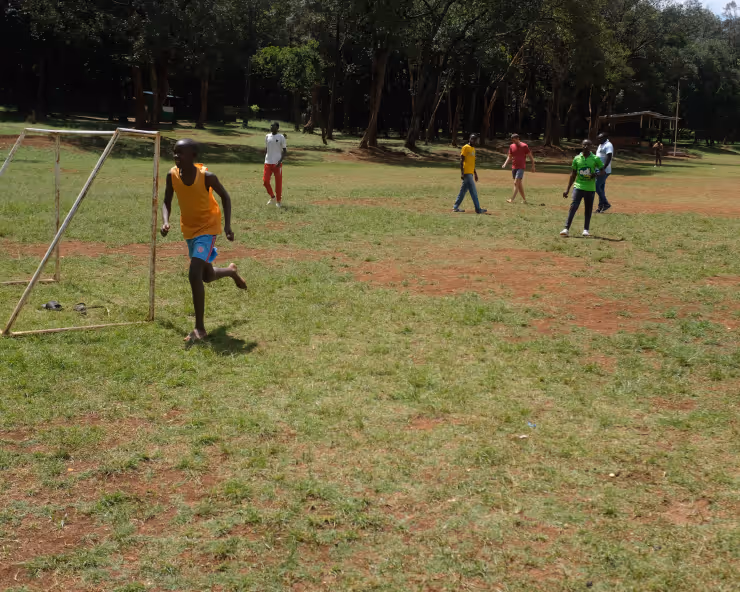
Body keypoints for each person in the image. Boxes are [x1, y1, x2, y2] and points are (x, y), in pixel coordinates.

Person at [161, 139, 247, 342]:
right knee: (206, 276)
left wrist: (227, 227)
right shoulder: (171, 175)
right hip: (189, 229)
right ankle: (231, 272)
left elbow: (225, 197)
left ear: (193, 157)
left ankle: (200, 328)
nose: (176, 156)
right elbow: (166, 200)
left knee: (194, 273)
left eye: (181, 153)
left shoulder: (207, 177)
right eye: (175, 152)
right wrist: (165, 221)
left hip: (208, 228)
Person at [560, 139, 605, 238]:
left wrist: (596, 174)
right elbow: (573, 174)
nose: (586, 147)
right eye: (584, 145)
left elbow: (603, 171)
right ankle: (566, 229)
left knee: (588, 209)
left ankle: (586, 230)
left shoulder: (595, 158)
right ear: (581, 145)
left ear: (591, 146)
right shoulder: (577, 158)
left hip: (590, 188)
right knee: (573, 207)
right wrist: (567, 189)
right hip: (578, 186)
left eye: (588, 145)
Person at [452, 133, 487, 214]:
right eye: (472, 139)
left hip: (470, 173)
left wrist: (475, 173)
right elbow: (462, 161)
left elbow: (472, 163)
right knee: (473, 191)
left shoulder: (473, 149)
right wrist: (462, 173)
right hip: (466, 173)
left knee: (463, 191)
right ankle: (478, 209)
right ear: (470, 139)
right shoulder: (465, 147)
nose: (474, 141)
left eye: (475, 140)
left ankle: (455, 207)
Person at [502, 133, 535, 203]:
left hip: (521, 167)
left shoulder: (524, 146)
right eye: (512, 141)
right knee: (518, 184)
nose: (513, 142)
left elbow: (530, 156)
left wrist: (533, 165)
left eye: (514, 140)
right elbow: (509, 156)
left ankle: (512, 199)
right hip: (514, 167)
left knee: (516, 182)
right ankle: (524, 200)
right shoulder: (511, 146)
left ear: (518, 139)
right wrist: (505, 164)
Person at [264, 122, 287, 207]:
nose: (271, 127)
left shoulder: (281, 137)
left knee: (278, 183)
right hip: (267, 163)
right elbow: (267, 148)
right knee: (265, 181)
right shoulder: (267, 136)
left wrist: (280, 161)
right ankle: (272, 197)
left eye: (273, 126)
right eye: (270, 126)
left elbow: (284, 151)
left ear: (277, 128)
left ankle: (278, 201)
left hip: (277, 164)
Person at [595, 132, 614, 213]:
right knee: (601, 189)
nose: (598, 139)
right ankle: (600, 207)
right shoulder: (601, 144)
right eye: (598, 138)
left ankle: (605, 203)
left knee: (595, 186)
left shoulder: (608, 145)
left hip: (604, 170)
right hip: (598, 169)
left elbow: (609, 157)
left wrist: (603, 169)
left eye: (600, 138)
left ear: (605, 138)